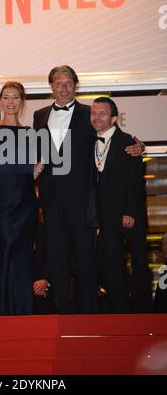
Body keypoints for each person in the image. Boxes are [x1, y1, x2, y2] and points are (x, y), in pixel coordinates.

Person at [33, 65, 143, 314]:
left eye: (68, 83)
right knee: (57, 256)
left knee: (86, 257)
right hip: (50, 199)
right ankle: (64, 312)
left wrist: (139, 146)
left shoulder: (88, 113)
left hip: (82, 199)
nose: (63, 88)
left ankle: (90, 312)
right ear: (51, 87)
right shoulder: (39, 116)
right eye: (58, 83)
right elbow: (37, 151)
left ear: (75, 86)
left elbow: (111, 135)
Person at [0, 81, 43, 316]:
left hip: (26, 201)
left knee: (24, 253)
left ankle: (23, 309)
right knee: (7, 250)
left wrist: (41, 165)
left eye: (16, 97)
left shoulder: (30, 132)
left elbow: (32, 171)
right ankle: (2, 309)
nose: (10, 102)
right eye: (6, 97)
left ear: (22, 102)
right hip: (3, 202)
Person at [90, 97, 153, 313]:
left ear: (114, 118)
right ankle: (120, 313)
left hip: (128, 215)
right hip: (105, 218)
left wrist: (130, 212)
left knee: (138, 264)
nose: (97, 117)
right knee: (113, 266)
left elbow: (136, 182)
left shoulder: (129, 142)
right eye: (94, 113)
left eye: (102, 113)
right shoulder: (88, 142)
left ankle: (143, 312)